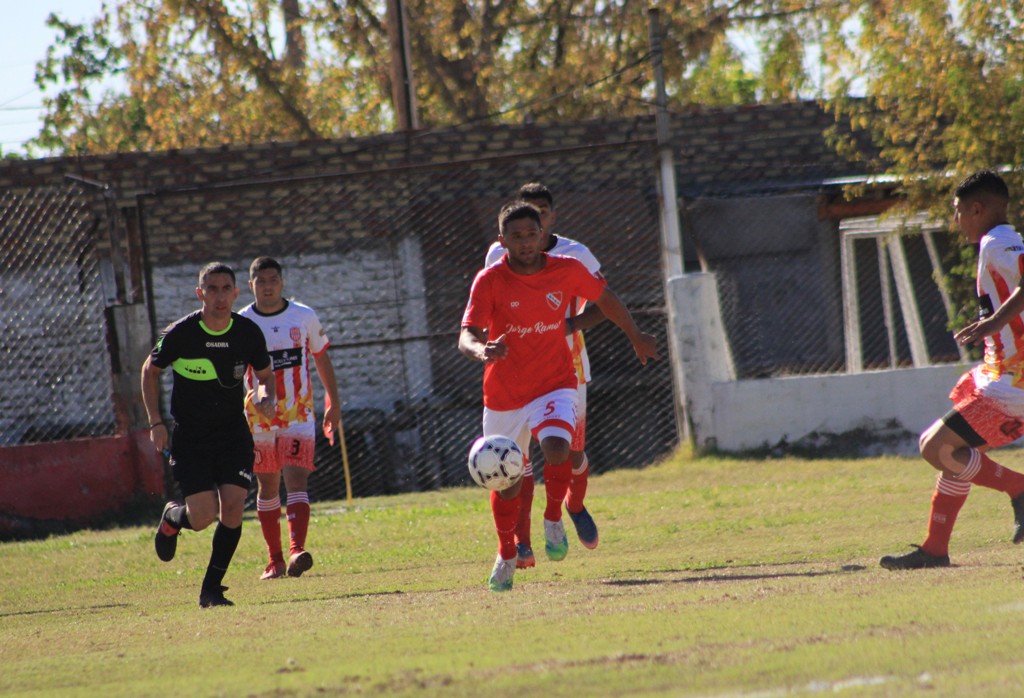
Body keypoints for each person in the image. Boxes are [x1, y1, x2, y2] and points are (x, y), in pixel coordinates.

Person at [460, 201, 659, 591]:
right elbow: (466, 333)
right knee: (508, 482)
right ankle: (505, 553)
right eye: (516, 237)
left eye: (532, 235)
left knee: (557, 446)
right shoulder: (490, 280)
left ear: (542, 237)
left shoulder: (566, 269)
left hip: (555, 381)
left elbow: (606, 298)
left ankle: (554, 517)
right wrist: (483, 350)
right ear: (503, 242)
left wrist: (635, 335)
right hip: (504, 393)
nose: (526, 243)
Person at [881, 170, 1024, 570]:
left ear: (977, 209)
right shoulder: (997, 243)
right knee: (959, 455)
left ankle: (1019, 487)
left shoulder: (1000, 243)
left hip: (1013, 383)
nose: (956, 219)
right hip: (1005, 375)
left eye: (959, 211)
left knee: (936, 447)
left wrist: (995, 322)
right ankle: (934, 549)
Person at [483, 182, 607, 570]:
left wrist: (568, 324)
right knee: (516, 462)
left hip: (567, 366)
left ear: (550, 217)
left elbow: (604, 297)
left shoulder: (576, 254)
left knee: (570, 453)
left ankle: (573, 504)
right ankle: (521, 543)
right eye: (528, 213)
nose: (536, 221)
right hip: (514, 369)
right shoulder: (497, 256)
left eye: (543, 213)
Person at [143, 262, 276, 607]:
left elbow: (265, 375)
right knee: (202, 517)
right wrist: (156, 422)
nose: (220, 296)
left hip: (233, 434)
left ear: (236, 292)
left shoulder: (247, 332)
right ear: (200, 293)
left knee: (232, 509)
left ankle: (211, 590)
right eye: (212, 289)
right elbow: (149, 371)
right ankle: (174, 516)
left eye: (226, 289)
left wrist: (264, 398)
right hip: (192, 438)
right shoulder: (181, 333)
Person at [239, 256, 342, 580]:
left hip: (298, 412)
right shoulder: (241, 323)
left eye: (273, 280)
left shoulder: (304, 316)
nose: (267, 287)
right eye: (261, 281)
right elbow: (234, 372)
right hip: (258, 417)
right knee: (267, 485)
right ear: (251, 285)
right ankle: (276, 560)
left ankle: (297, 550)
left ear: (282, 283)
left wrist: (334, 402)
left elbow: (321, 357)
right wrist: (247, 401)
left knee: (297, 478)